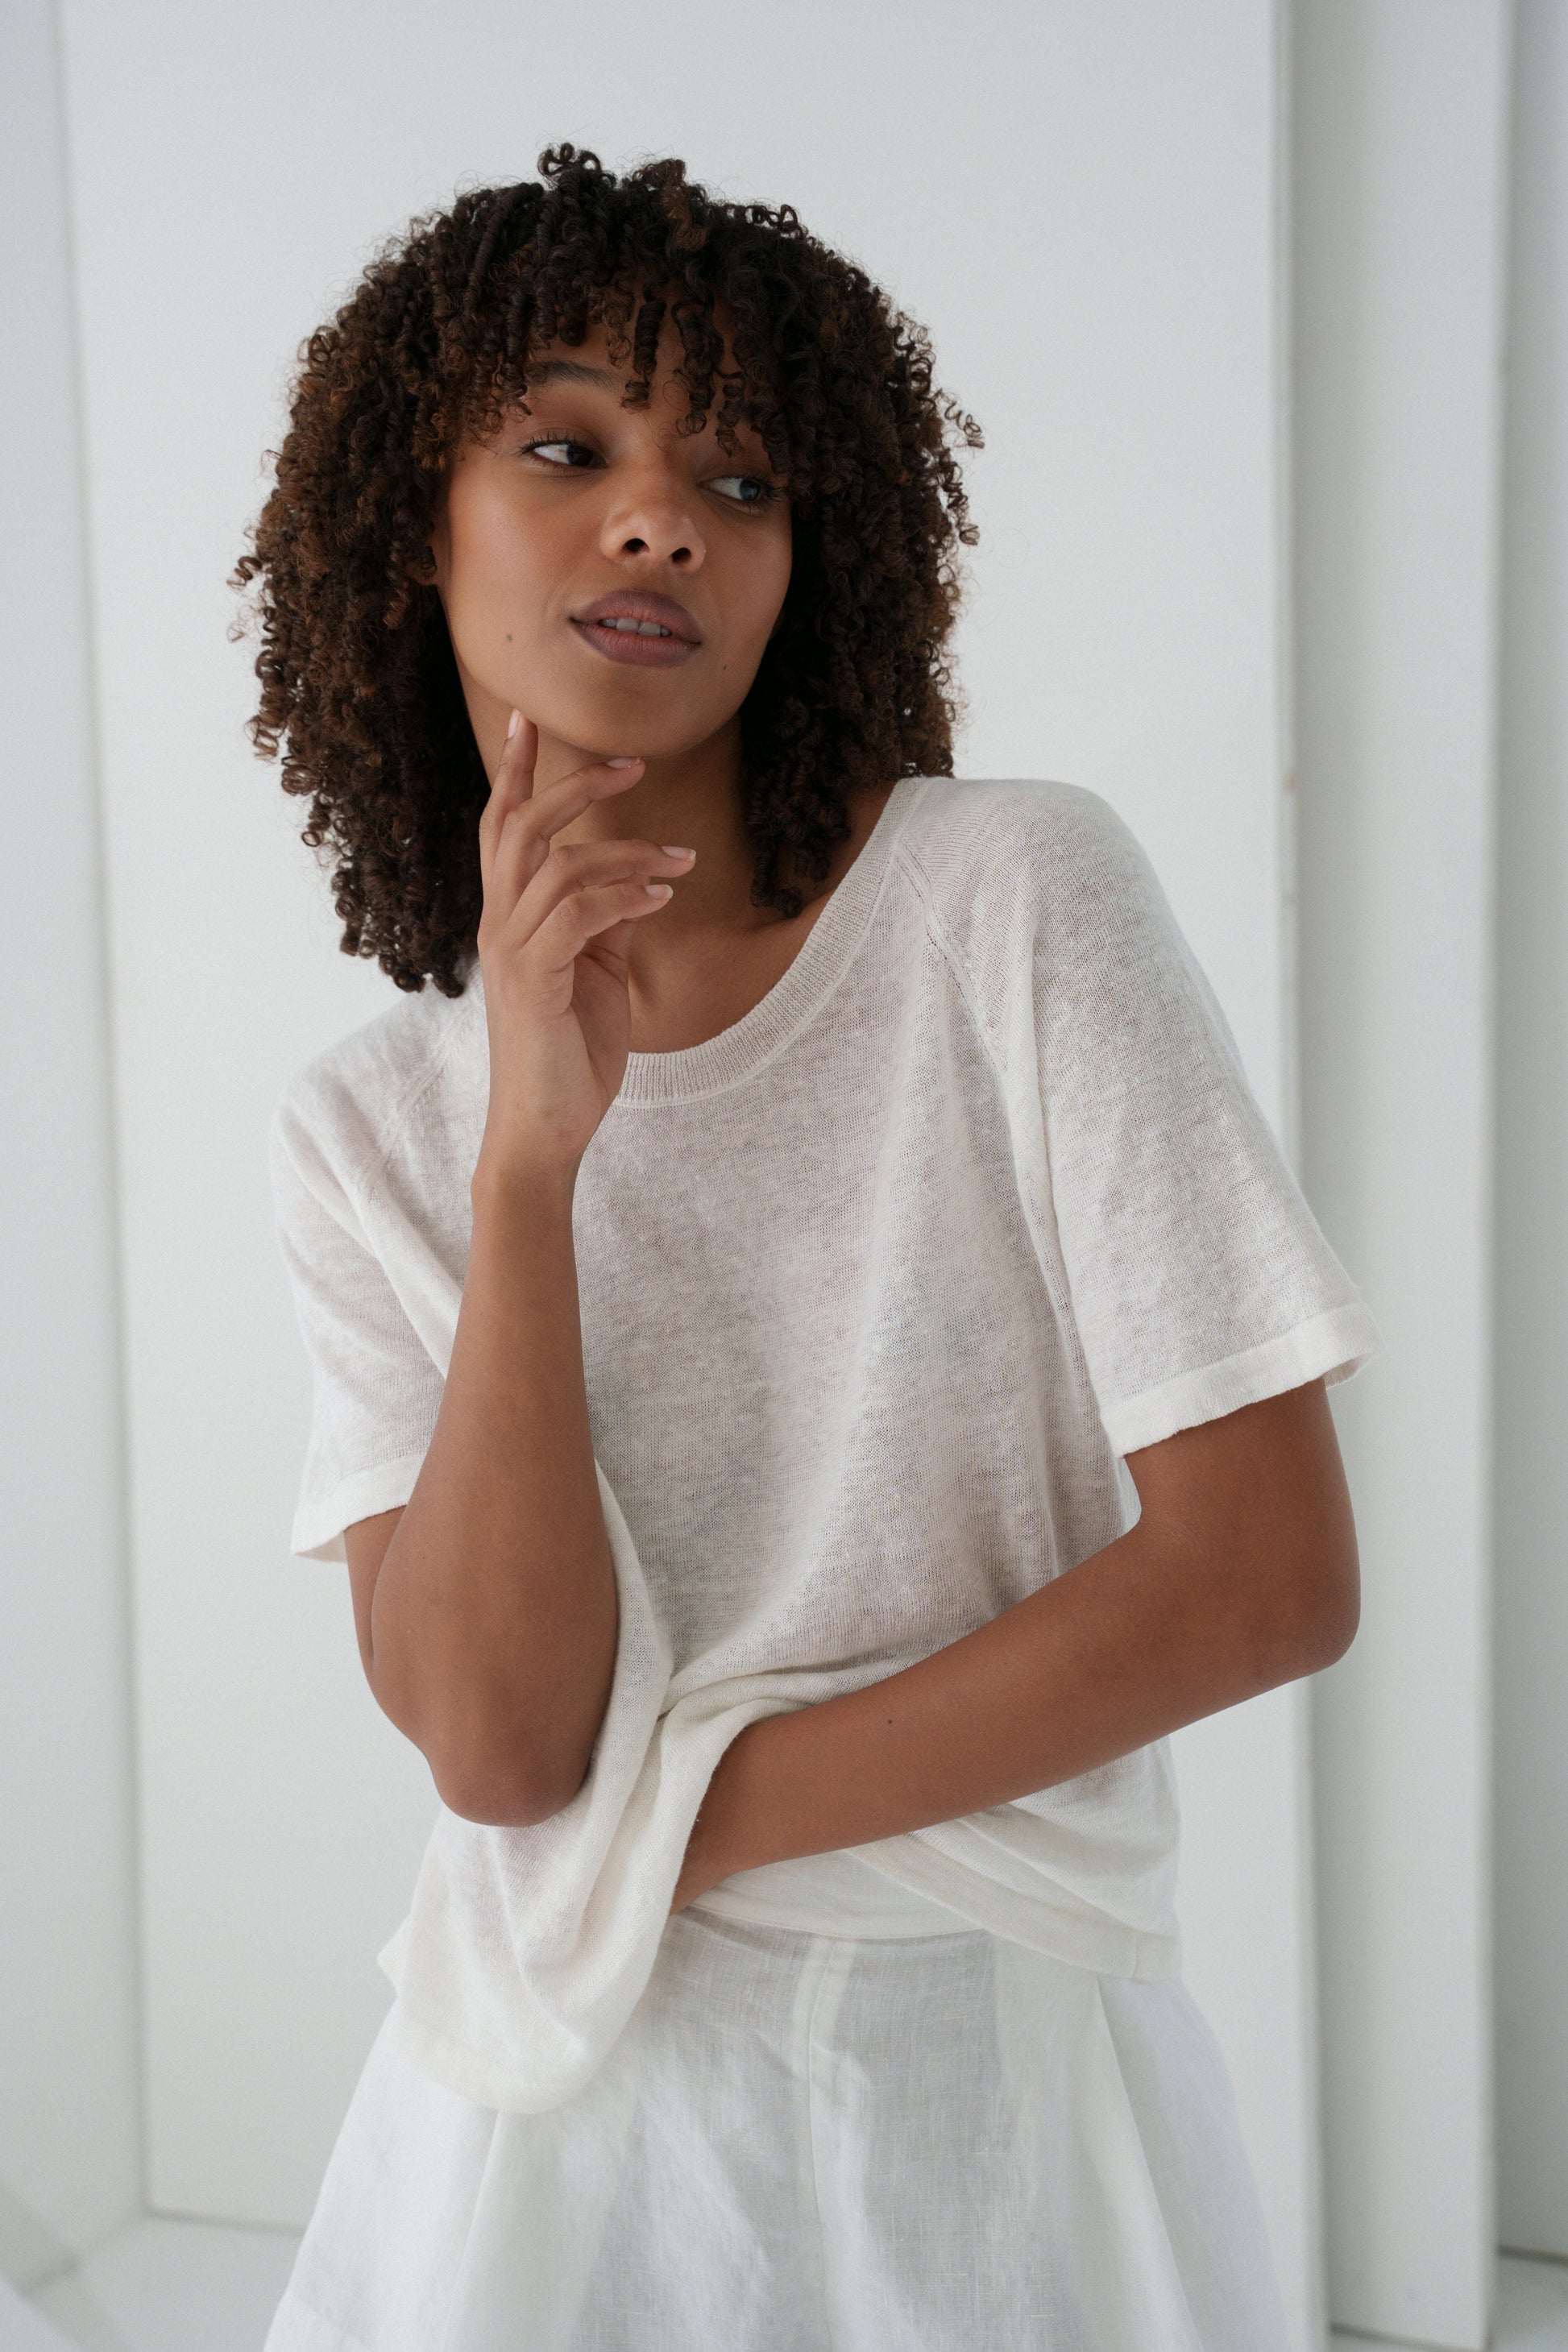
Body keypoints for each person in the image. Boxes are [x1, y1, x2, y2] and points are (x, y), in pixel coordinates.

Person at [237, 145, 1381, 2352]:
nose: (659, 516)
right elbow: (494, 1747)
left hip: (989, 2076)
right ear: (414, 529)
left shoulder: (1011, 904)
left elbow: (1262, 1576)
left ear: (806, 565)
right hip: (537, 2128)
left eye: (739, 478)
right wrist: (527, 1176)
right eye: (567, 446)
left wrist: (668, 1826)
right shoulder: (370, 1130)